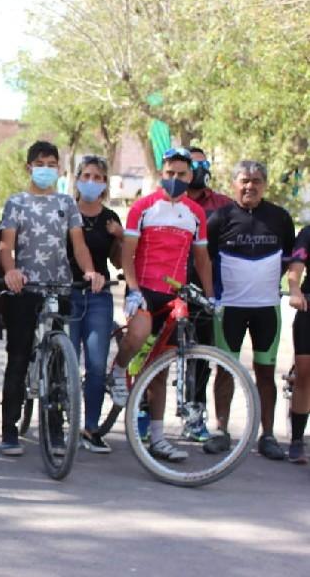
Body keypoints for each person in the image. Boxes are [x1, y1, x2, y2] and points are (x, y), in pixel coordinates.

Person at [0, 141, 105, 456]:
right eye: (40, 163)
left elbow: (79, 245)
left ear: (59, 169)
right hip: (25, 290)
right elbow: (6, 246)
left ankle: (55, 429)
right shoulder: (16, 202)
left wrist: (90, 271)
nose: (46, 169)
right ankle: (9, 430)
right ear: (29, 167)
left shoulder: (66, 203)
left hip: (59, 288)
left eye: (51, 164)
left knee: (59, 363)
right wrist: (11, 271)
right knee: (18, 357)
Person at [108, 147, 214, 462]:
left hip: (173, 294)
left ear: (190, 176)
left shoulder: (195, 213)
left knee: (160, 371)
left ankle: (157, 439)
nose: (175, 178)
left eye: (181, 174)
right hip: (143, 289)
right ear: (161, 173)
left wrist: (210, 297)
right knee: (138, 334)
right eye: (170, 173)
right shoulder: (143, 206)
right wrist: (133, 290)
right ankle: (118, 370)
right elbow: (128, 253)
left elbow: (202, 259)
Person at [205, 160, 294, 459]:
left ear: (264, 185)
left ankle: (267, 435)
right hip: (229, 308)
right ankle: (221, 431)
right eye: (244, 180)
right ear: (234, 184)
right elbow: (205, 258)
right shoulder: (220, 217)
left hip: (266, 308)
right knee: (225, 369)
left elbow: (289, 258)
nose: (250, 186)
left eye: (256, 181)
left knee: (266, 372)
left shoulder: (280, 217)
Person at [66, 155, 123, 453]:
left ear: (105, 183)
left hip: (98, 295)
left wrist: (120, 237)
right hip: (67, 292)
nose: (91, 182)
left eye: (97, 177)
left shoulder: (110, 218)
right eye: (86, 176)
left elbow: (118, 261)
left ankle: (91, 427)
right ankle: (63, 425)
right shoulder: (66, 211)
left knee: (97, 364)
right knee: (67, 361)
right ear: (77, 179)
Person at [182, 146, 233, 442]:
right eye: (193, 165)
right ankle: (147, 413)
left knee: (201, 355)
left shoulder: (222, 205)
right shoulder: (167, 201)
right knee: (157, 352)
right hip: (168, 286)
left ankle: (195, 415)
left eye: (204, 165)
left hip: (205, 288)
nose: (199, 171)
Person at [287, 225, 310, 465]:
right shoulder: (308, 233)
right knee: (305, 374)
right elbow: (296, 268)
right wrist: (294, 290)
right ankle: (296, 440)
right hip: (308, 308)